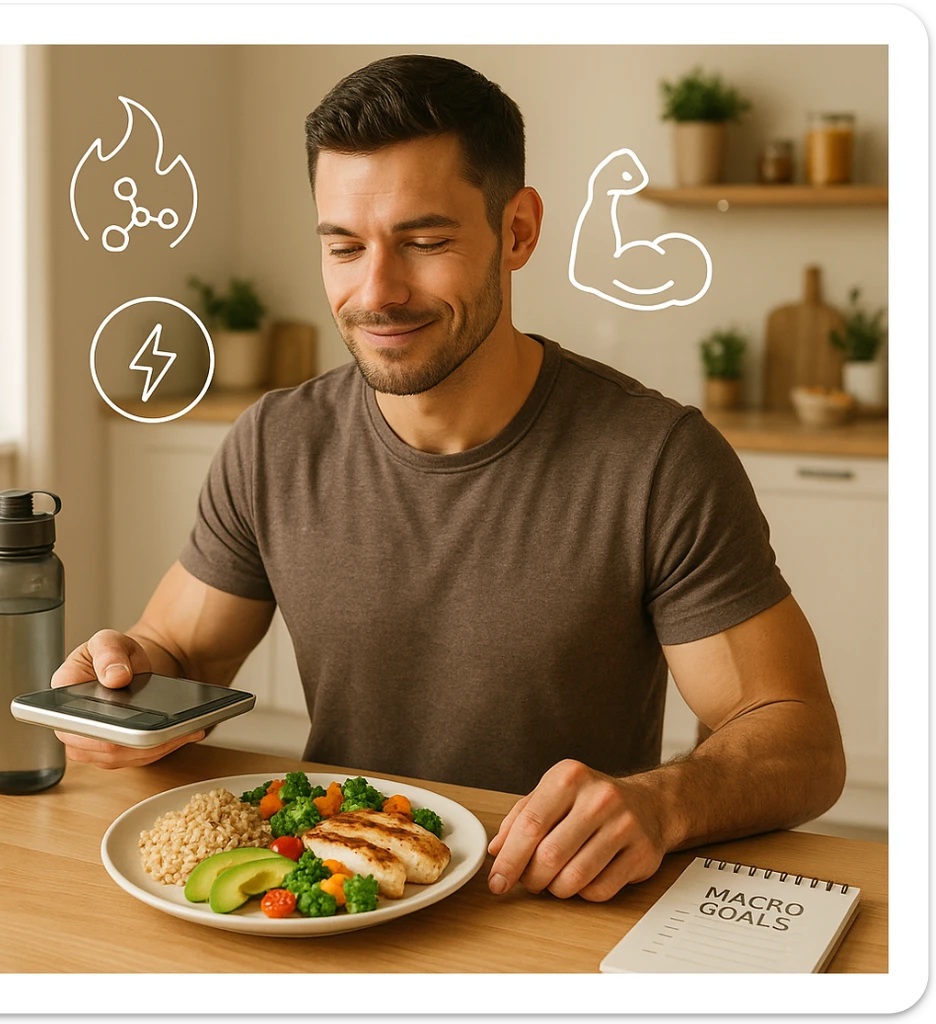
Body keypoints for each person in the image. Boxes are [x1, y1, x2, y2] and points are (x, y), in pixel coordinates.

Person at [53, 54, 845, 902]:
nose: (377, 291)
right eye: (345, 247)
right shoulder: (274, 444)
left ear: (519, 231)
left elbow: (797, 739)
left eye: (425, 242)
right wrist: (123, 682)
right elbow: (178, 652)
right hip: (326, 901)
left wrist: (664, 802)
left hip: (550, 903)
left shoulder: (655, 460)